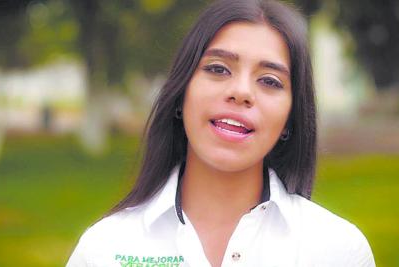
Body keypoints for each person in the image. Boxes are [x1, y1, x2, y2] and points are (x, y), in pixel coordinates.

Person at [67, 0, 375, 266]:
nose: (241, 92)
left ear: (290, 120)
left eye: (269, 81)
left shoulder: (338, 251)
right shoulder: (105, 250)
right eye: (218, 69)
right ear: (180, 94)